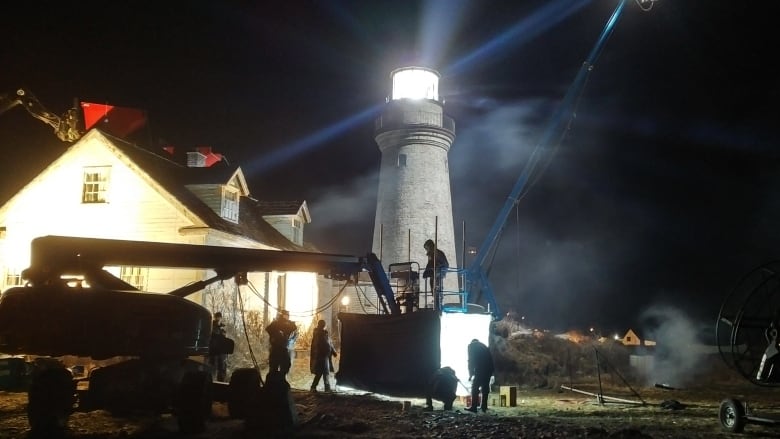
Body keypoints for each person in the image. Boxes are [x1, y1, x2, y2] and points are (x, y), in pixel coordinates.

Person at [266, 310, 298, 376]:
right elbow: (294, 327)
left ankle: (273, 382)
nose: (288, 317)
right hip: (282, 349)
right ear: (284, 315)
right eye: (287, 315)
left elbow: (268, 329)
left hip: (274, 349)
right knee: (284, 367)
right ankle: (280, 381)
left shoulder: (275, 323)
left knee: (273, 368)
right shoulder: (286, 324)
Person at [466, 338, 494, 413]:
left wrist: (470, 374)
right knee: (485, 387)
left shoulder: (471, 346)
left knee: (475, 387)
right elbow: (491, 359)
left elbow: (470, 361)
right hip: (488, 369)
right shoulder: (484, 346)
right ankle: (484, 406)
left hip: (480, 369)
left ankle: (474, 407)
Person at [309, 319, 337, 392]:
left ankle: (314, 387)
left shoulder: (321, 333)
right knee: (325, 372)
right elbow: (326, 344)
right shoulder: (320, 333)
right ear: (323, 325)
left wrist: (333, 351)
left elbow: (329, 343)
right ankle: (326, 388)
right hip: (322, 356)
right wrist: (332, 352)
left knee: (320, 372)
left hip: (322, 356)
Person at [422, 239, 449, 308]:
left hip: (438, 273)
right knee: (434, 287)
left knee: (436, 288)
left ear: (430, 247)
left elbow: (431, 263)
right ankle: (436, 301)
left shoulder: (436, 253)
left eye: (426, 248)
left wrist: (427, 272)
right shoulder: (434, 253)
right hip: (436, 273)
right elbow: (430, 264)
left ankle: (437, 303)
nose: (426, 250)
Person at [208, 312, 228, 381]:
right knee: (212, 368)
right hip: (213, 353)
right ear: (215, 317)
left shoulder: (222, 328)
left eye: (219, 317)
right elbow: (212, 336)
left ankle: (221, 382)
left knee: (222, 369)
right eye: (217, 317)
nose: (218, 318)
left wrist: (223, 334)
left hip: (221, 353)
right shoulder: (211, 326)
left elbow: (224, 340)